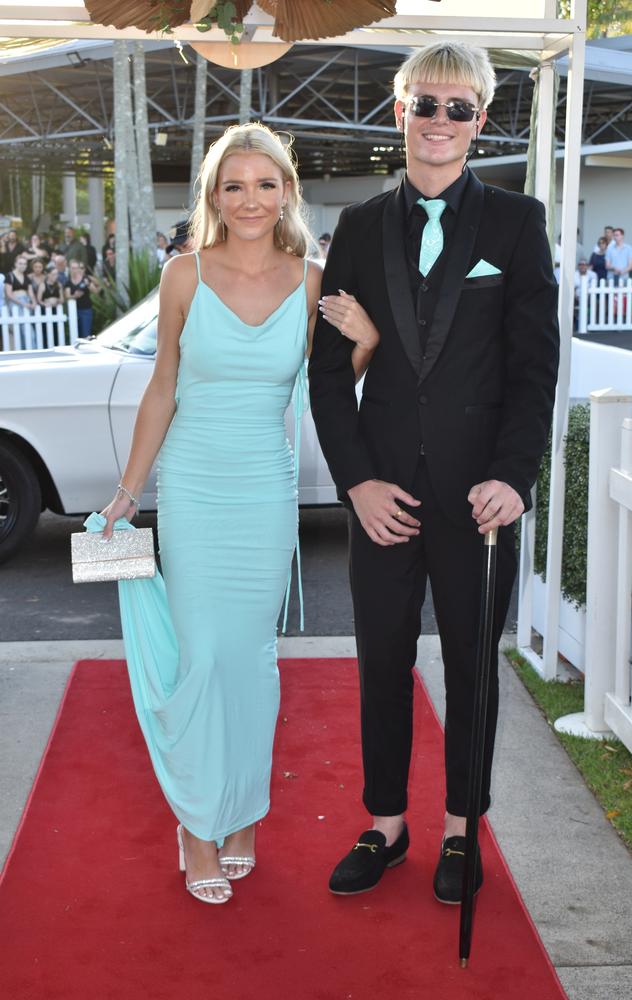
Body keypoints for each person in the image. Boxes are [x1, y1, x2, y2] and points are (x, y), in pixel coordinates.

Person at [309, 41, 559, 904]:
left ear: (481, 120)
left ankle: (461, 830)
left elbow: (533, 367)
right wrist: (357, 482)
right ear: (400, 110)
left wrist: (514, 477)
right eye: (426, 104)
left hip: (476, 496)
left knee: (471, 667)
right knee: (380, 657)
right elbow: (327, 372)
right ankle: (385, 823)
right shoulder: (359, 226)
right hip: (382, 490)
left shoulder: (517, 224)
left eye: (459, 108)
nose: (440, 122)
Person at [99, 123, 373, 906]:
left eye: (264, 183)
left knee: (252, 662)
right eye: (233, 185)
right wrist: (128, 490)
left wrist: (366, 343)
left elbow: (324, 385)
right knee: (205, 656)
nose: (249, 199)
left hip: (263, 486)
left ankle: (243, 814)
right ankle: (195, 825)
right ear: (213, 196)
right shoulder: (185, 274)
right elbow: (163, 389)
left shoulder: (314, 278)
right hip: (191, 483)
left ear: (285, 190)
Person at [3, 254, 37, 348]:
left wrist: (34, 302)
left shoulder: (26, 277)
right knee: (23, 329)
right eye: (20, 263)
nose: (23, 266)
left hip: (26, 301)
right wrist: (23, 304)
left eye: (25, 264)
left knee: (27, 327)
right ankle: (27, 350)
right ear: (15, 264)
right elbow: (9, 294)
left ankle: (30, 350)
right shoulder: (9, 276)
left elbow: (30, 292)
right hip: (15, 303)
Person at [65, 260, 98, 338]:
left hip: (86, 309)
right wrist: (75, 296)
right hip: (74, 311)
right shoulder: (68, 281)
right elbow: (67, 296)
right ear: (69, 269)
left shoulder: (85, 279)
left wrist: (88, 284)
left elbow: (95, 291)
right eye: (73, 268)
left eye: (76, 268)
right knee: (75, 334)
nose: (75, 270)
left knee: (86, 334)